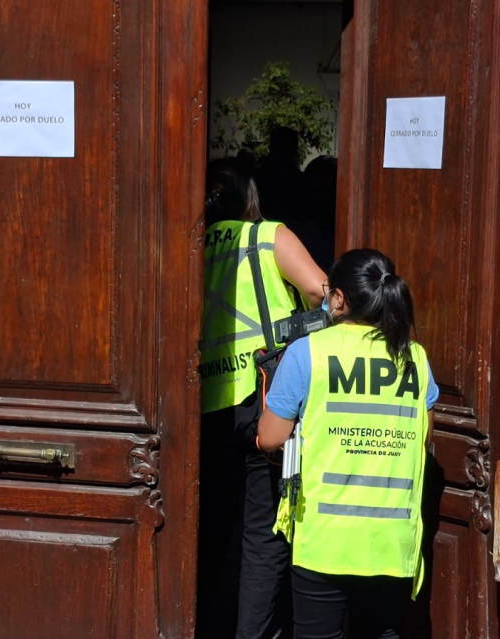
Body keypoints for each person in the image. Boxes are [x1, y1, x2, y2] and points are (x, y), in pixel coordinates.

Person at [257, 249, 439, 639]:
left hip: (326, 539)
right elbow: (424, 436)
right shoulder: (415, 359)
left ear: (339, 299)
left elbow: (271, 438)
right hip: (391, 542)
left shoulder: (308, 352)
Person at [198, 157, 326, 638]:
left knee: (212, 526)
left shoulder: (191, 240)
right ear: (250, 197)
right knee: (261, 535)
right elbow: (323, 292)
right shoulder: (266, 236)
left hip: (206, 404)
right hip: (262, 398)